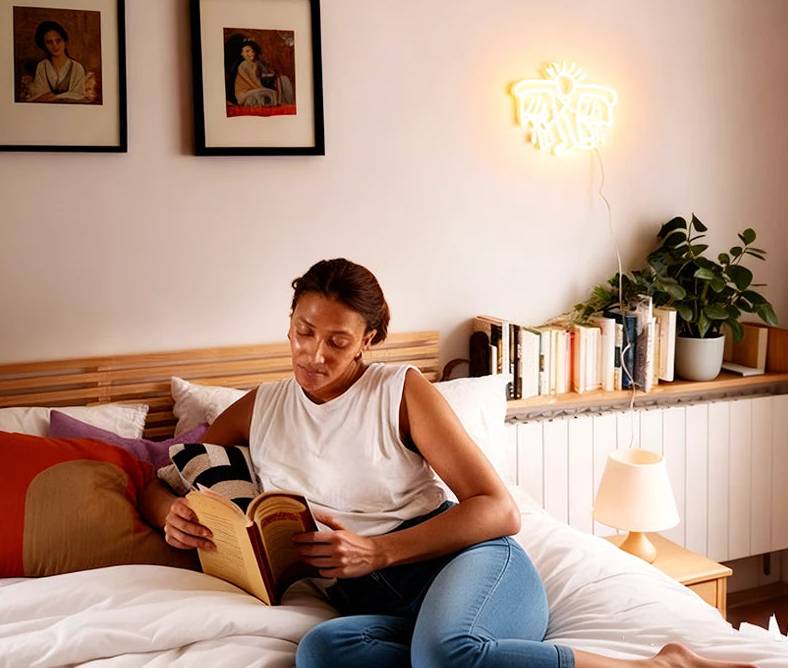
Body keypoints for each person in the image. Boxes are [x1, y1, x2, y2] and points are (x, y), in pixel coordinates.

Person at [140, 258, 757, 668]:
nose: (314, 355)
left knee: (444, 653)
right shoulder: (262, 406)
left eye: (337, 341)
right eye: (304, 331)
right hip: (372, 603)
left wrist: (377, 551)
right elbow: (158, 480)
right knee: (321, 653)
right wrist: (172, 515)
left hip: (469, 565)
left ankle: (659, 664)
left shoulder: (398, 391)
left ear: (368, 341)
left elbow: (500, 510)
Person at [26, 20, 89, 103]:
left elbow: (79, 94)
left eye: (58, 40)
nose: (55, 45)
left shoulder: (76, 67)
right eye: (49, 42)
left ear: (65, 42)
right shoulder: (42, 66)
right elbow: (39, 93)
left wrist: (57, 97)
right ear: (44, 45)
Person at [233, 39, 295, 108]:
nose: (251, 53)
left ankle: (283, 102)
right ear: (242, 54)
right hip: (248, 91)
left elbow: (266, 74)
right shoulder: (243, 66)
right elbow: (252, 81)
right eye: (247, 51)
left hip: (261, 87)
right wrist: (263, 87)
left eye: (253, 51)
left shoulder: (259, 63)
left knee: (284, 79)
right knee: (260, 98)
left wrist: (274, 75)